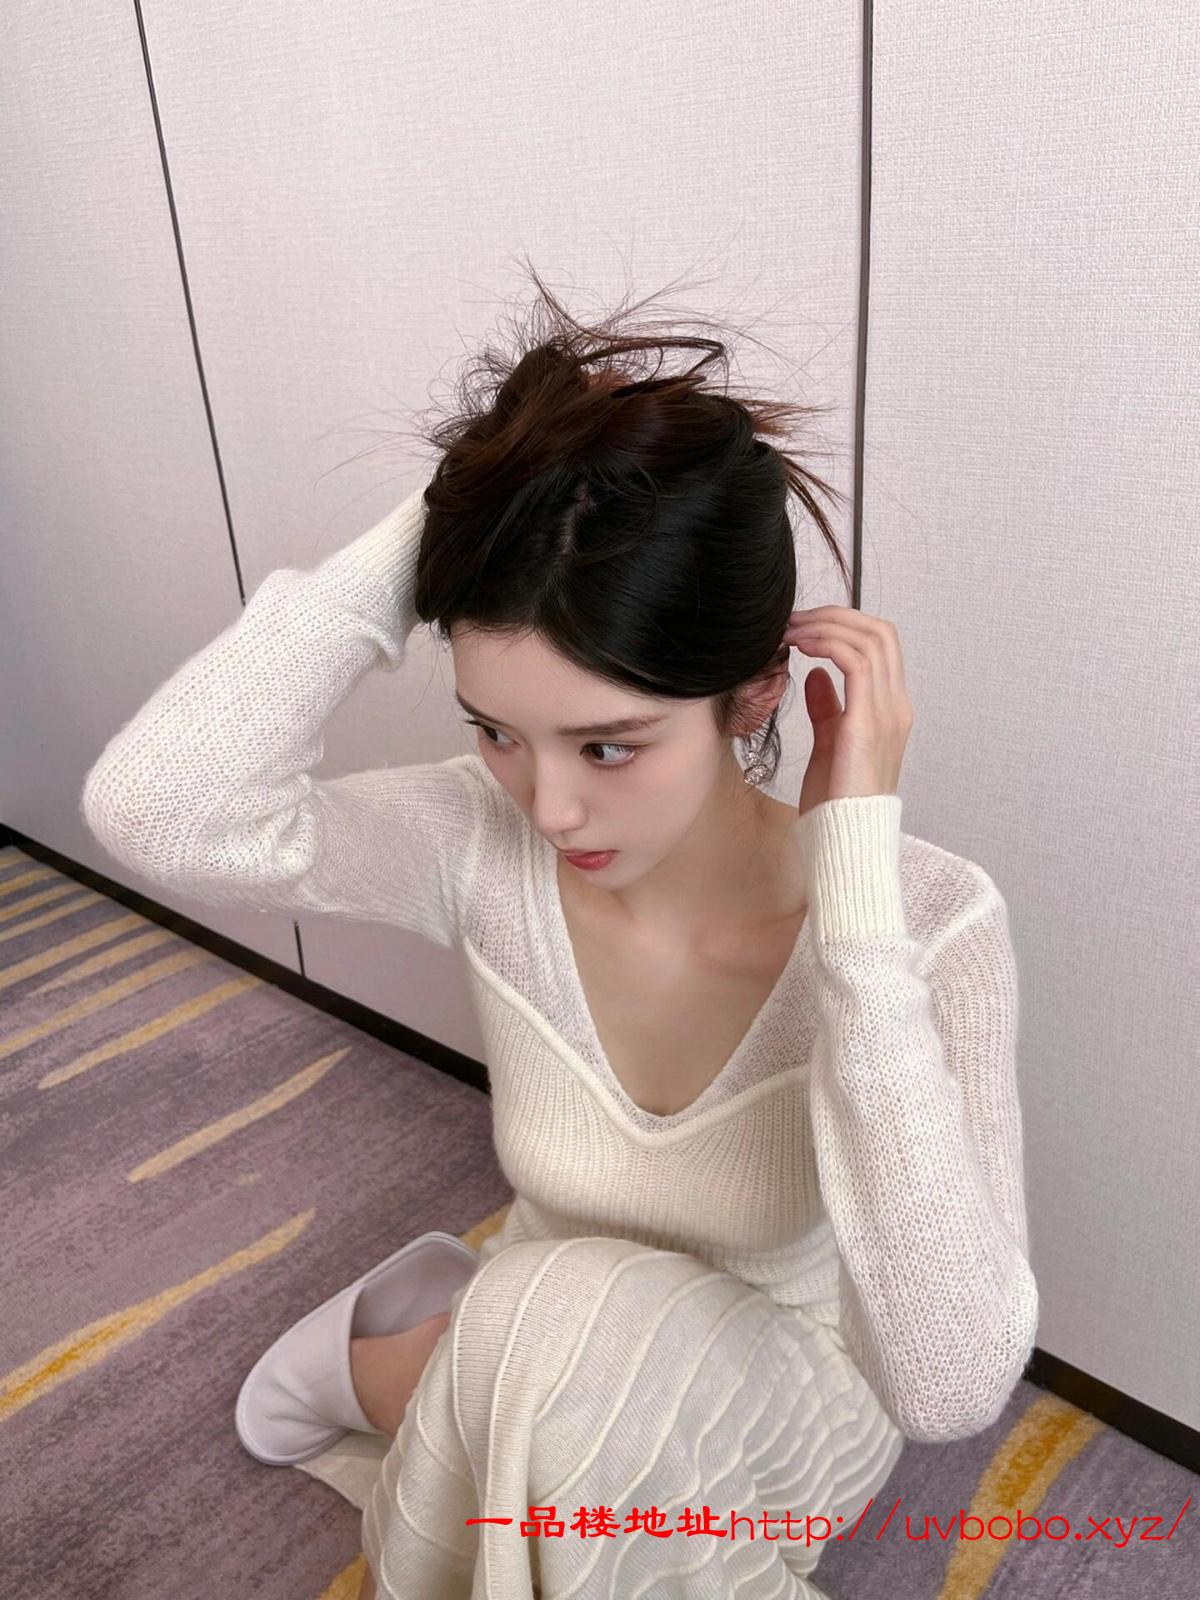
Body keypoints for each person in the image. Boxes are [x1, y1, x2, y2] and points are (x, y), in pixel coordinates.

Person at [80, 269, 1038, 1599]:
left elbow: (946, 1382)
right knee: (554, 1326)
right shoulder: (481, 844)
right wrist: (450, 520)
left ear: (760, 689)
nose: (550, 807)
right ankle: (437, 1365)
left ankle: (407, 1372)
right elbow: (160, 811)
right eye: (495, 731)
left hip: (782, 1403)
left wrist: (856, 907)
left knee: (550, 1349)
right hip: (543, 1342)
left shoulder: (929, 919)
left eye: (610, 744)